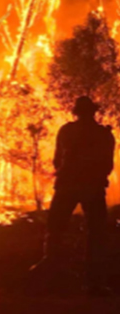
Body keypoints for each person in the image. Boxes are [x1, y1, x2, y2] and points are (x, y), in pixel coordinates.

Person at [32, 95, 115, 294]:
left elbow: (57, 160)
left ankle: (51, 269)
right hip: (92, 188)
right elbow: (107, 164)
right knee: (96, 232)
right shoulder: (104, 135)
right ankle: (93, 280)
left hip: (67, 185)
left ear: (76, 112)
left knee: (56, 227)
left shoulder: (67, 131)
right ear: (94, 112)